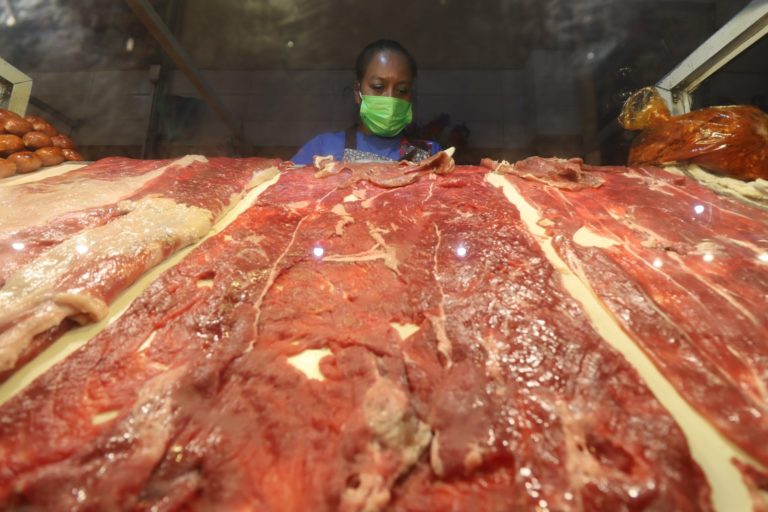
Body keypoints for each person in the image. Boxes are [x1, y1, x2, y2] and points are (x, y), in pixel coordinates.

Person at [291, 39, 441, 165]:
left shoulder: (431, 155)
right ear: (358, 91)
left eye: (402, 90)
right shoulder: (323, 147)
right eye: (378, 87)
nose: (390, 98)